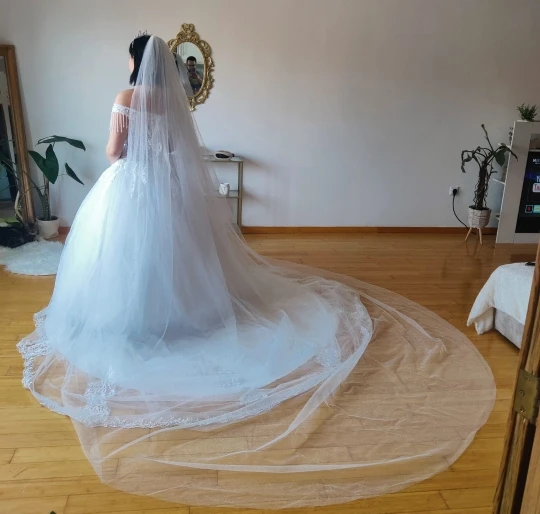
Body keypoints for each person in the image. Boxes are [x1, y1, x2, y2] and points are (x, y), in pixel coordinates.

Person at [18, 35, 495, 509]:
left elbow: (114, 151)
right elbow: (179, 150)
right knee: (177, 257)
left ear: (135, 60)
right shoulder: (173, 101)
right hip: (169, 189)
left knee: (124, 258)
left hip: (132, 189)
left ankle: (133, 318)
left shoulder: (127, 97)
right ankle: (186, 314)